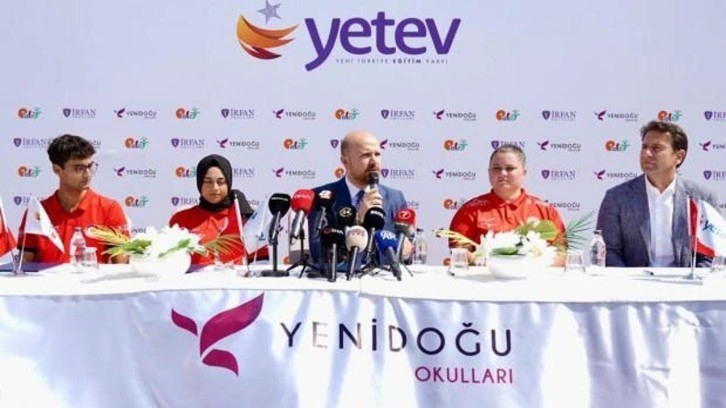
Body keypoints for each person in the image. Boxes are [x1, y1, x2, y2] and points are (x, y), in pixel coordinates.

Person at [596, 120, 720, 267]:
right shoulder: (617, 197)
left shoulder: (703, 198)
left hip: (686, 280)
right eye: (644, 147)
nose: (646, 154)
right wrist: (626, 280)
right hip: (632, 280)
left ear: (679, 156)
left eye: (656, 148)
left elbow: (711, 254)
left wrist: (694, 279)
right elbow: (609, 251)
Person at [17, 134, 129, 264]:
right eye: (79, 168)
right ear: (57, 170)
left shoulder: (109, 209)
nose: (87, 175)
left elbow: (122, 267)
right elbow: (24, 265)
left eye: (90, 166)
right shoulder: (37, 213)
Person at [448, 144, 566, 266]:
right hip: (485, 276)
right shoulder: (470, 210)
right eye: (496, 168)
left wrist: (532, 265)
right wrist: (489, 261)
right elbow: (459, 252)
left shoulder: (545, 210)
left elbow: (562, 254)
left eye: (510, 168)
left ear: (524, 173)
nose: (503, 173)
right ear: (489, 172)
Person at [307, 130, 409, 263]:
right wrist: (358, 220)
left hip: (384, 275)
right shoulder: (322, 197)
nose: (374, 161)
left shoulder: (395, 198)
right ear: (345, 161)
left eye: (377, 154)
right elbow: (318, 252)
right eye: (366, 155)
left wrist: (405, 250)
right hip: (341, 275)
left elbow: (404, 253)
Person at [168, 154, 261, 265]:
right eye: (208, 181)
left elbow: (260, 262)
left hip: (236, 276)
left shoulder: (244, 217)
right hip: (191, 276)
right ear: (199, 183)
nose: (215, 188)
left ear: (228, 183)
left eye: (221, 182)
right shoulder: (181, 218)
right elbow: (168, 259)